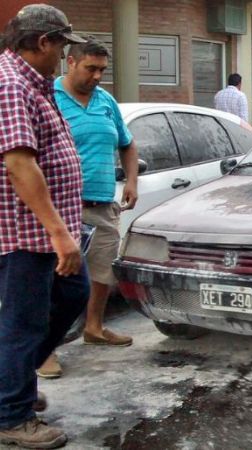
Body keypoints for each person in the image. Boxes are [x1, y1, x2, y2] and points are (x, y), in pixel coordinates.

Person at [0, 4, 90, 448]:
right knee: (23, 324)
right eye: (61, 47)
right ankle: (11, 417)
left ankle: (8, 386)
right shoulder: (11, 83)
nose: (62, 56)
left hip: (45, 233)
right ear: (42, 43)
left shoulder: (34, 82)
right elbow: (19, 164)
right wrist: (58, 232)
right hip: (26, 234)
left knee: (73, 294)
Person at [37, 39, 140, 379]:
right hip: (62, 208)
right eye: (90, 69)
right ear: (70, 62)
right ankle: (45, 349)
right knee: (56, 283)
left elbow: (127, 144)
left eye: (102, 70)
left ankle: (94, 328)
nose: (97, 76)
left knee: (100, 274)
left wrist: (131, 182)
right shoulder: (48, 96)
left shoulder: (105, 101)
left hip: (102, 204)